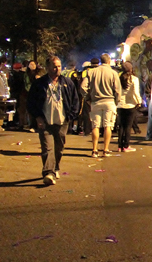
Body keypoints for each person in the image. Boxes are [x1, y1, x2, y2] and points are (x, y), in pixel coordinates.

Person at [27, 56, 80, 185]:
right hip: (45, 121)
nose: (57, 69)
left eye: (59, 66)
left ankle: (55, 167)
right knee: (47, 148)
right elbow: (31, 102)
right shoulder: (40, 83)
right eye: (54, 66)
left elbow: (75, 100)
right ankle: (48, 173)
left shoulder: (67, 82)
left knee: (59, 148)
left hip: (62, 121)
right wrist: (38, 117)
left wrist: (70, 116)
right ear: (48, 68)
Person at [81, 53, 121, 157]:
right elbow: (117, 90)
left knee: (95, 126)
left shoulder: (91, 72)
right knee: (108, 126)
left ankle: (94, 150)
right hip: (109, 102)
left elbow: (83, 87)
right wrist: (117, 101)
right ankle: (105, 150)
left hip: (95, 102)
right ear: (109, 61)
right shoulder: (113, 73)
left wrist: (88, 98)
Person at [116, 61, 141, 152]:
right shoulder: (134, 79)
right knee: (128, 126)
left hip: (119, 104)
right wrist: (139, 101)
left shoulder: (118, 78)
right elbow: (136, 92)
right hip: (130, 105)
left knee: (121, 126)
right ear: (131, 69)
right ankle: (126, 146)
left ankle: (119, 146)